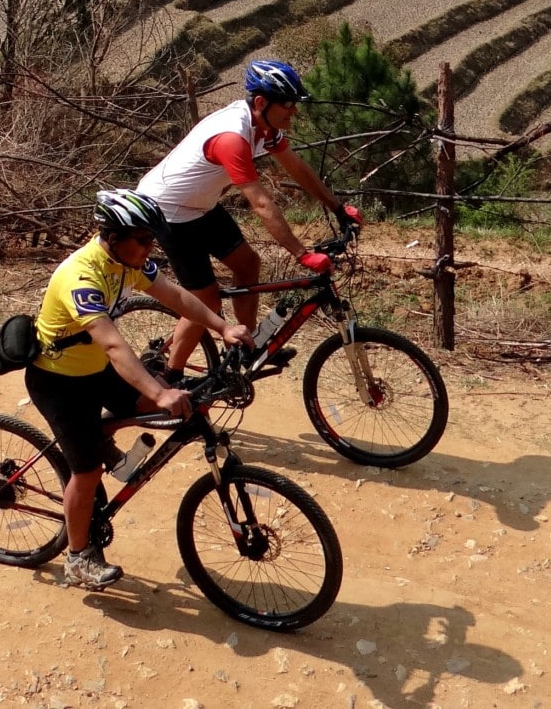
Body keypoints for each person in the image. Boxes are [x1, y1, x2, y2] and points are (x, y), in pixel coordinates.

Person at [28, 188, 249, 591]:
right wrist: (162, 390)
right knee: (88, 470)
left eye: (153, 239)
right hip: (59, 382)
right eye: (144, 240)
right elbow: (113, 344)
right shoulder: (82, 276)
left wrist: (223, 327)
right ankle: (77, 559)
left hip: (94, 370)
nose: (151, 248)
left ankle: (100, 436)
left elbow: (178, 296)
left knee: (160, 405)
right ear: (113, 238)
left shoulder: (128, 261)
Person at [137, 59, 353, 379]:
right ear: (262, 103)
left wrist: (339, 208)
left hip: (201, 206)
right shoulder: (232, 137)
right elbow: (262, 204)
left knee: (248, 265)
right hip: (168, 210)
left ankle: (242, 348)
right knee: (207, 299)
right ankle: (171, 375)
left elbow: (297, 168)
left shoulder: (264, 127)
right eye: (288, 104)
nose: (294, 111)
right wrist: (302, 254)